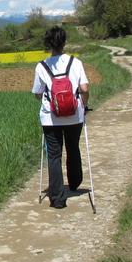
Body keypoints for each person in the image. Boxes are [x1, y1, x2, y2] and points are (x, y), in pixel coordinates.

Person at [32, 26, 89, 209]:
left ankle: (57, 198)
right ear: (64, 42)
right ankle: (74, 183)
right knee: (73, 147)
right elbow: (85, 89)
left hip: (50, 118)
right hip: (74, 115)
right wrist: (83, 105)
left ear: (48, 44)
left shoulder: (41, 66)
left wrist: (48, 99)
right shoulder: (76, 63)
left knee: (54, 155)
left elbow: (37, 93)